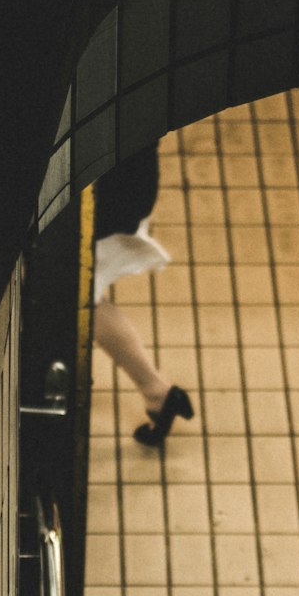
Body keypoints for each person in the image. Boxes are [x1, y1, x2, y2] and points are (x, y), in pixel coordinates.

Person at [92, 144, 195, 448]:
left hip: (108, 199)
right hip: (127, 186)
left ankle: (158, 392)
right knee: (85, 296)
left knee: (83, 298)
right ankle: (157, 393)